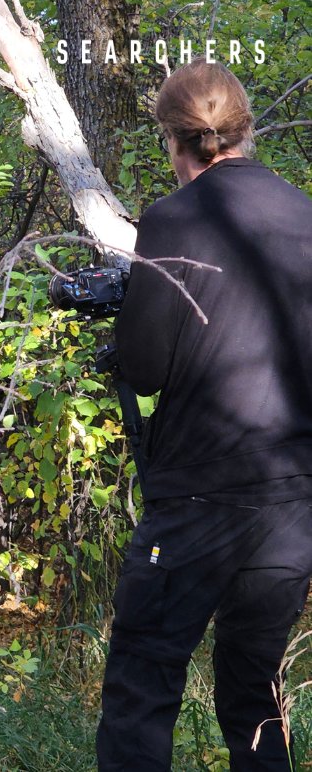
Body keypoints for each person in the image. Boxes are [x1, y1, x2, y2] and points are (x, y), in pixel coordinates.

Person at [97, 58, 312, 770]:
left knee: (142, 679)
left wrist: (123, 314)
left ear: (174, 141)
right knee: (254, 693)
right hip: (289, 500)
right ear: (245, 131)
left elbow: (146, 366)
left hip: (195, 500)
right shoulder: (303, 214)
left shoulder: (172, 219)